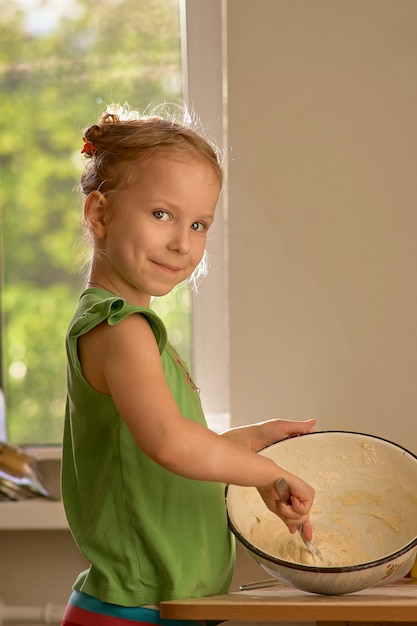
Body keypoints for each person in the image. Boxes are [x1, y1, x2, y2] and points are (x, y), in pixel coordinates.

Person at [61, 103, 315, 626]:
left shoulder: (133, 329)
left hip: (164, 609)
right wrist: (266, 473)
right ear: (100, 214)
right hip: (134, 612)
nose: (183, 242)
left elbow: (152, 456)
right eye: (162, 215)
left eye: (199, 224)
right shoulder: (118, 326)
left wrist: (244, 443)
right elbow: (170, 442)